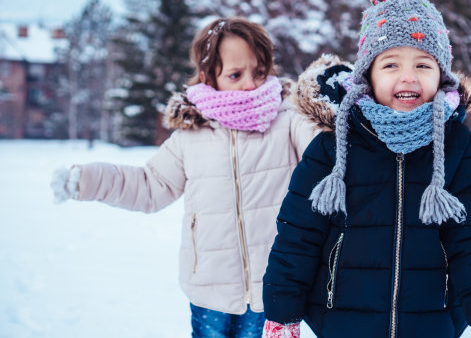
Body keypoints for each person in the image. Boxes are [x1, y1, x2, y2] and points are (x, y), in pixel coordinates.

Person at [261, 0, 471, 338]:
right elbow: (296, 235)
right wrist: (282, 313)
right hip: (341, 321)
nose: (408, 77)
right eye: (391, 64)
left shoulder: (458, 147)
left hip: (430, 321)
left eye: (423, 65)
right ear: (369, 76)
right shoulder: (334, 145)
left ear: (441, 76)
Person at [50, 17, 318, 338]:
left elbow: (324, 150)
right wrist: (87, 180)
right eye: (235, 74)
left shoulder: (288, 120)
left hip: (274, 286)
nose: (250, 84)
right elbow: (150, 186)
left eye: (258, 72)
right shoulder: (191, 137)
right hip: (208, 287)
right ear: (209, 77)